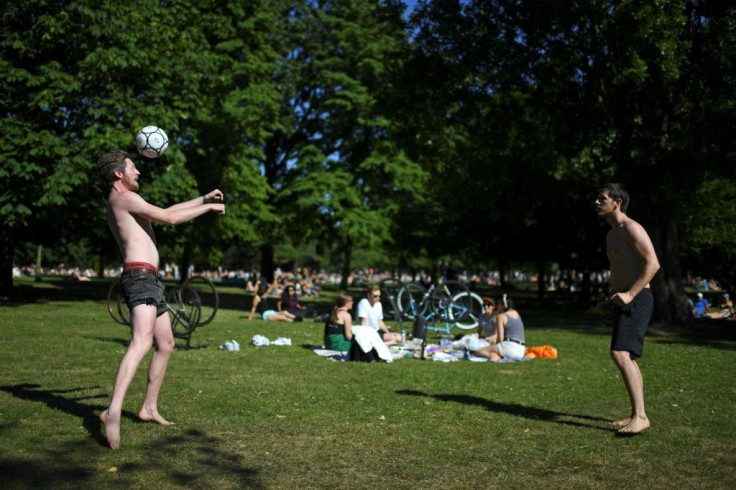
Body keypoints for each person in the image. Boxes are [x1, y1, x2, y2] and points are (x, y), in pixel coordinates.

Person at [95, 150, 226, 449]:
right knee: (141, 343)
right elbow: (170, 218)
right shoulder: (123, 198)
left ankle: (149, 408)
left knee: (165, 344)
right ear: (119, 174)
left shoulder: (129, 201)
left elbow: (169, 208)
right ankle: (112, 411)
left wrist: (204, 199)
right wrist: (207, 209)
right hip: (139, 279)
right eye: (133, 167)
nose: (139, 171)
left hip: (151, 280)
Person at [594, 183, 660, 435]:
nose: (597, 203)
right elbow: (621, 272)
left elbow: (653, 264)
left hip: (639, 297)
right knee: (625, 356)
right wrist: (610, 299)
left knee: (620, 353)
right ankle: (636, 413)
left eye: (602, 199)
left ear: (617, 202)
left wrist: (631, 294)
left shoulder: (632, 228)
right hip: (625, 298)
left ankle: (641, 417)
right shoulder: (612, 235)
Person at [473, 295, 526, 361]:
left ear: (504, 305)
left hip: (510, 349)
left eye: (498, 304)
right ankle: (498, 355)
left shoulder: (500, 316)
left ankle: (496, 357)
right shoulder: (516, 312)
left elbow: (500, 339)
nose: (497, 307)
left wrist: (493, 347)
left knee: (478, 351)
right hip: (521, 351)